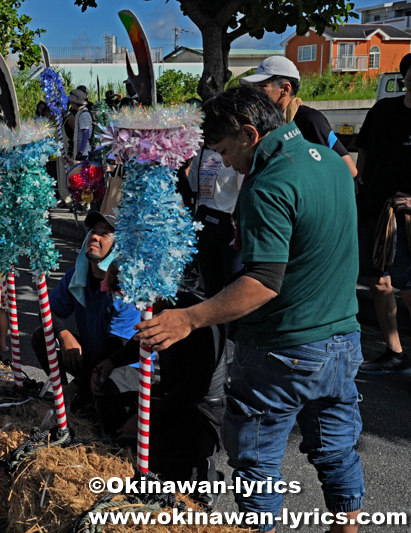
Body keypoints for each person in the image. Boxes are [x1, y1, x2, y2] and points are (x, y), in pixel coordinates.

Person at [140, 87, 363, 533]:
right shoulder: (333, 164)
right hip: (342, 340)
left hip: (283, 348)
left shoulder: (269, 183)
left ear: (248, 133)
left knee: (257, 460)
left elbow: (262, 282)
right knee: (337, 450)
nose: (224, 163)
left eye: (224, 150)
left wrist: (189, 318)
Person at [92, 291, 226, 508]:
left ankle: (204, 478)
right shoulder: (155, 309)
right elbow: (141, 344)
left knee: (154, 458)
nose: (134, 305)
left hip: (201, 412)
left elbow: (194, 389)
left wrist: (145, 418)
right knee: (110, 400)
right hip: (166, 397)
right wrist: (110, 362)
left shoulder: (199, 318)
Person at [31, 212, 140, 407]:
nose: (95, 237)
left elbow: (115, 347)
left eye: (105, 233)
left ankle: (75, 395)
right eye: (93, 231)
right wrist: (64, 335)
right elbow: (47, 311)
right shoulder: (76, 275)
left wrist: (76, 386)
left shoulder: (126, 284)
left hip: (121, 365)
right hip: (93, 356)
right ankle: (62, 391)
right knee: (42, 337)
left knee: (95, 409)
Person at [354, 53, 411, 374]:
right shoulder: (384, 110)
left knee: (408, 287)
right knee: (379, 283)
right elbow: (363, 147)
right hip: (375, 209)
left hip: (408, 219)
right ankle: (394, 352)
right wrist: (359, 178)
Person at [241, 55, 358, 177]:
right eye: (254, 87)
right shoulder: (265, 124)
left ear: (285, 89)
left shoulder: (310, 120)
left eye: (261, 86)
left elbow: (349, 169)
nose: (255, 93)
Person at [186, 144, 245, 296]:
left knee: (229, 285)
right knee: (218, 286)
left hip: (225, 223)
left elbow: (242, 189)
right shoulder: (203, 152)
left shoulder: (227, 151)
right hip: (209, 223)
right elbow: (193, 185)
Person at [67, 88, 93, 161]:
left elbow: (86, 134)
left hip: (84, 153)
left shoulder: (83, 114)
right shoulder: (80, 113)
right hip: (82, 151)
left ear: (75, 103)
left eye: (72, 102)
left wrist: (81, 152)